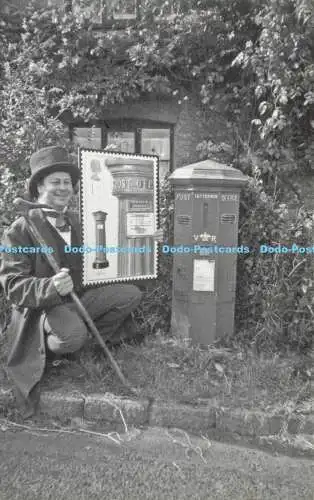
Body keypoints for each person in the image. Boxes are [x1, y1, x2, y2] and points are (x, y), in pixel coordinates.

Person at [0, 146, 159, 417]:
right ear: (39, 186)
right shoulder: (21, 229)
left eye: (67, 183)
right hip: (43, 309)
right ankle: (56, 350)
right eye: (55, 182)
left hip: (81, 298)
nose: (63, 188)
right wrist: (49, 286)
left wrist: (146, 238)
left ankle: (86, 349)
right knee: (73, 335)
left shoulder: (78, 221)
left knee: (129, 294)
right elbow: (13, 285)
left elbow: (112, 249)